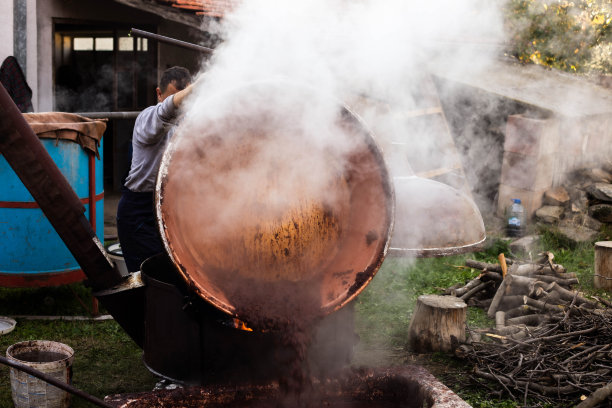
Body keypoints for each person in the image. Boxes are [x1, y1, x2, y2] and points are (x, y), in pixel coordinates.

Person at [117, 66, 195, 272]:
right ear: (159, 94)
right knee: (153, 278)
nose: (181, 107)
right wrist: (195, 89)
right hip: (140, 212)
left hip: (172, 208)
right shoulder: (147, 118)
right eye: (177, 100)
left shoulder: (189, 124)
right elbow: (167, 111)